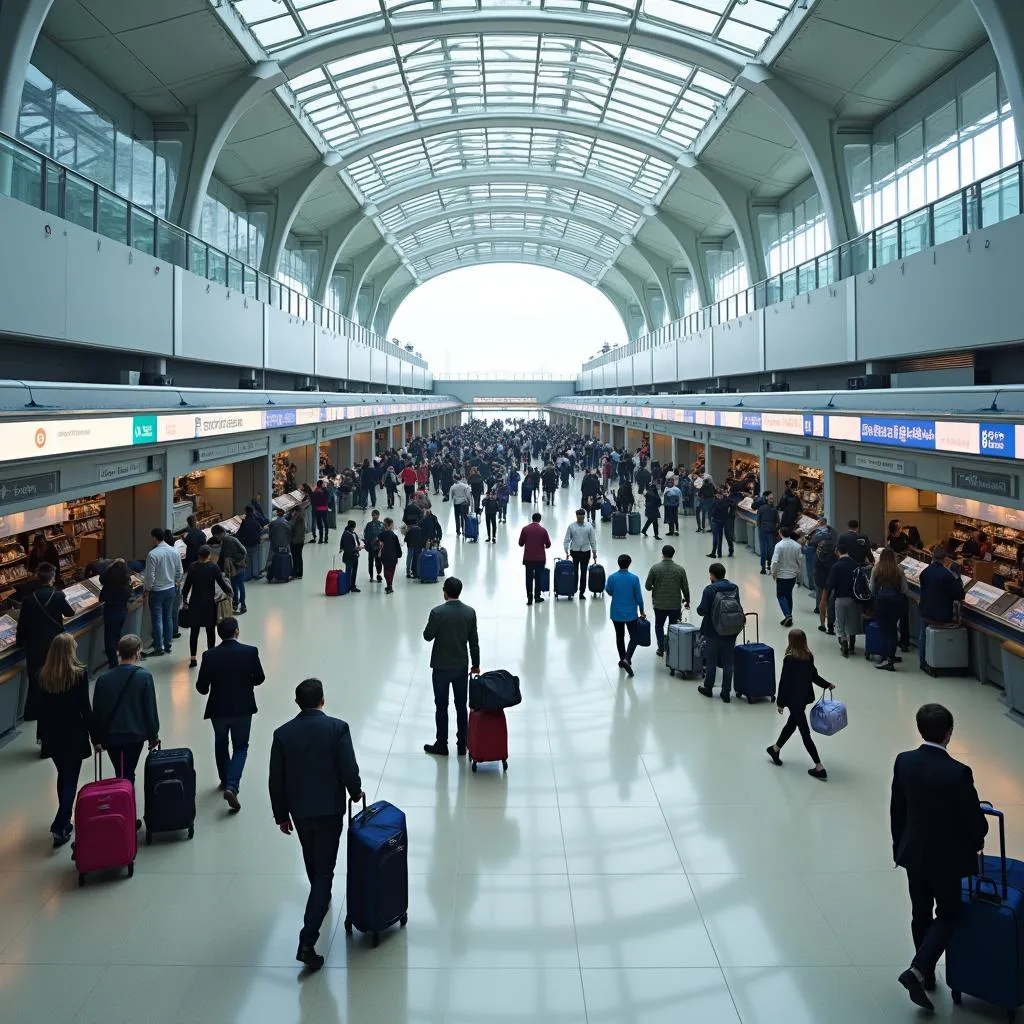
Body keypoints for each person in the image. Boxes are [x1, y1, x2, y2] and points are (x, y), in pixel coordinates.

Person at [890, 703, 988, 1011]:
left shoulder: (904, 762)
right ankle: (918, 969)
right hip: (946, 858)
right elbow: (975, 823)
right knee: (949, 913)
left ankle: (926, 975)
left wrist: (899, 847)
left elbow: (898, 810)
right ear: (949, 734)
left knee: (920, 911)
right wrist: (977, 839)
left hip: (913, 851)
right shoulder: (958, 773)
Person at [269, 678, 364, 971]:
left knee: (313, 860)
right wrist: (355, 790)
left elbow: (276, 779)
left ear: (297, 703)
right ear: (322, 700)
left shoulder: (282, 734)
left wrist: (281, 814)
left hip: (300, 812)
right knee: (324, 872)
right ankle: (307, 940)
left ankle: (319, 899)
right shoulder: (337, 728)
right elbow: (347, 767)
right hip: (329, 810)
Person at [196, 616, 265, 811]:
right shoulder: (250, 652)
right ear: (236, 631)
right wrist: (246, 682)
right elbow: (259, 678)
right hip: (243, 707)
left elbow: (202, 687)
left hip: (218, 708)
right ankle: (232, 786)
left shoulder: (209, 656)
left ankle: (225, 779)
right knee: (241, 747)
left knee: (220, 742)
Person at [36, 634, 92, 847]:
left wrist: (41, 736)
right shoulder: (78, 676)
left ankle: (65, 820)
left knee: (63, 775)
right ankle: (60, 824)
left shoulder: (43, 676)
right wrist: (96, 736)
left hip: (53, 736)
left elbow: (41, 710)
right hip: (73, 734)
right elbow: (85, 709)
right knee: (70, 779)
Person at [422, 576, 481, 757]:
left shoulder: (437, 613)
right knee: (461, 706)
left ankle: (442, 744)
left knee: (441, 706)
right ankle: (463, 743)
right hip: (461, 667)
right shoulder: (469, 613)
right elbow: (474, 642)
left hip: (440, 667)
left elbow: (427, 636)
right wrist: (476, 664)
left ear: (445, 592)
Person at [91, 633, 160, 787]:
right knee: (129, 771)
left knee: (120, 770)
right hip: (134, 735)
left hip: (111, 736)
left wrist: (96, 739)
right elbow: (149, 708)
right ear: (137, 652)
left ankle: (123, 798)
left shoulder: (103, 679)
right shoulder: (144, 677)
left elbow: (98, 711)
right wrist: (153, 734)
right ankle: (127, 803)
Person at [765, 629, 833, 780]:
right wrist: (826, 684)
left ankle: (818, 766)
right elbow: (814, 676)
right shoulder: (808, 657)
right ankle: (775, 749)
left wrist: (781, 703)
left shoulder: (789, 659)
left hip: (793, 700)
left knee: (802, 731)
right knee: (794, 725)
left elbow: (784, 683)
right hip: (803, 698)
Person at [16, 562, 74, 733]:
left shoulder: (28, 600)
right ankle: (54, 706)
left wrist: (20, 642)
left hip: (34, 644)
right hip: (55, 644)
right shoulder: (57, 596)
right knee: (55, 675)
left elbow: (22, 625)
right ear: (52, 578)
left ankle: (32, 710)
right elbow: (69, 613)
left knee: (35, 678)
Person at [181, 545, 233, 668]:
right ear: (209, 555)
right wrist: (229, 592)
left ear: (199, 555)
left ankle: (193, 658)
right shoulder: (213, 567)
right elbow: (221, 582)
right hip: (209, 603)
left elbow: (186, 586)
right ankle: (211, 656)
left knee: (194, 631)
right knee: (210, 631)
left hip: (195, 602)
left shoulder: (193, 567)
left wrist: (184, 599)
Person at [696, 562, 741, 703]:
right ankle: (726, 692)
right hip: (731, 630)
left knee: (711, 661)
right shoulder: (734, 587)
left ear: (712, 575)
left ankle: (708, 688)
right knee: (728, 662)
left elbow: (702, 610)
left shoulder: (710, 590)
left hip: (713, 631)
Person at [917, 546, 966, 671]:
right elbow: (960, 594)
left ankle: (922, 661)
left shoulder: (925, 572)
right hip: (942, 614)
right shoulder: (946, 575)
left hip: (925, 610)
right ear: (945, 559)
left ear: (932, 557)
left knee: (923, 635)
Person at [142, 527, 183, 657]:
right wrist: (176, 581)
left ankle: (158, 646)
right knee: (168, 617)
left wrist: (147, 589)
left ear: (154, 538)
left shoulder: (152, 554)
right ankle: (168, 644)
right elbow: (179, 570)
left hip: (157, 591)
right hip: (171, 589)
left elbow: (150, 576)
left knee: (157, 618)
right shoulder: (174, 551)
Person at [644, 545, 691, 657]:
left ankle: (661, 648)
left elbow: (647, 586)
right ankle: (672, 648)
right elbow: (685, 587)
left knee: (659, 625)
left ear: (662, 553)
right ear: (673, 554)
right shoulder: (680, 569)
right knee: (673, 627)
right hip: (675, 604)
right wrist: (687, 600)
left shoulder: (655, 568)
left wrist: (654, 587)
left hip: (659, 604)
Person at [604, 554, 646, 677]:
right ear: (629, 563)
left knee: (619, 636)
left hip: (616, 613)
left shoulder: (612, 577)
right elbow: (639, 597)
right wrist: (642, 611)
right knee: (634, 637)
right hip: (631, 614)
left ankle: (622, 659)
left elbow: (609, 591)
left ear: (618, 563)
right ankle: (627, 658)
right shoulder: (634, 578)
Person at [871, 547, 909, 671]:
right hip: (895, 604)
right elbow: (905, 590)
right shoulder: (899, 570)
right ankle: (891, 658)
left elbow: (871, 589)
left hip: (881, 604)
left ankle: (884, 657)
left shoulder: (876, 569)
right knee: (892, 631)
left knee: (883, 631)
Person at [821, 542, 860, 657]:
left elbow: (830, 584)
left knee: (840, 622)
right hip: (854, 598)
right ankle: (852, 644)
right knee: (852, 622)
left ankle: (844, 643)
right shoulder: (855, 565)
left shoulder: (837, 566)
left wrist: (824, 599)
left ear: (838, 552)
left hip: (840, 597)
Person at [98, 558, 133, 669]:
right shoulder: (125, 584)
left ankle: (113, 663)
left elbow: (101, 579)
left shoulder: (108, 584)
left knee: (109, 638)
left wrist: (111, 564)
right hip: (122, 611)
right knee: (117, 636)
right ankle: (118, 657)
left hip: (110, 611)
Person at [211, 524, 248, 615]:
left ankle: (239, 605)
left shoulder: (227, 541)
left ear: (219, 534)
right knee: (239, 585)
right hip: (240, 566)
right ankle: (240, 604)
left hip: (235, 567)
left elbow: (226, 556)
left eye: (215, 535)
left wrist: (230, 562)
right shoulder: (230, 538)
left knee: (235, 586)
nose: (216, 538)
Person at [770, 527, 804, 627]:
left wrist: (773, 573)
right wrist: (799, 574)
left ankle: (787, 615)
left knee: (780, 595)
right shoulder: (797, 546)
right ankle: (788, 616)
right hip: (792, 575)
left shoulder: (779, 545)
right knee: (788, 595)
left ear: (780, 534)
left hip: (782, 575)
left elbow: (775, 562)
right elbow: (800, 561)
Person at [564, 508, 598, 599]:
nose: (580, 519)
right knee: (574, 572)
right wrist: (566, 550)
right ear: (576, 517)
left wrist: (594, 552)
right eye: (579, 518)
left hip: (586, 552)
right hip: (574, 552)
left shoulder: (589, 526)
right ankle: (573, 590)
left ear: (584, 517)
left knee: (583, 573)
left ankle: (581, 592)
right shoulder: (571, 526)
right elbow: (567, 539)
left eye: (582, 518)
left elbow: (593, 540)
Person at [518, 512, 551, 605]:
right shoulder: (543, 530)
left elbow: (520, 543)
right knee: (538, 577)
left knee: (528, 578)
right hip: (540, 559)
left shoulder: (525, 529)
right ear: (539, 520)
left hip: (528, 558)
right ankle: (537, 596)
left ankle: (529, 595)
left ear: (532, 519)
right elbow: (548, 544)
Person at [237, 505, 265, 580]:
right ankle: (256, 574)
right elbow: (260, 530)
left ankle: (247, 576)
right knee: (255, 559)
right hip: (254, 543)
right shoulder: (254, 521)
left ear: (245, 511)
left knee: (247, 559)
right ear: (252, 511)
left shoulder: (243, 522)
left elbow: (239, 533)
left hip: (245, 543)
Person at [754, 493, 779, 574]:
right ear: (767, 498)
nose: (772, 500)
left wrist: (760, 528)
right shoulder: (774, 509)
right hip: (769, 532)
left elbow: (758, 521)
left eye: (772, 498)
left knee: (765, 550)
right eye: (771, 498)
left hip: (765, 531)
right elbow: (777, 522)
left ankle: (764, 567)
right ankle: (768, 565)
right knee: (769, 550)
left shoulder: (761, 508)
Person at [378, 518, 403, 593]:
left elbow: (375, 544)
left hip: (385, 556)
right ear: (390, 525)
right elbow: (397, 546)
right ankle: (390, 586)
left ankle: (389, 586)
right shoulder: (394, 536)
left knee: (386, 572)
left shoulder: (381, 535)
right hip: (393, 557)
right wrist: (399, 555)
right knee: (391, 572)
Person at [339, 520, 362, 593]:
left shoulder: (353, 533)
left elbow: (356, 542)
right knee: (349, 572)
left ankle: (352, 586)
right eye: (353, 527)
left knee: (354, 571)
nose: (354, 529)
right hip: (349, 556)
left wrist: (358, 547)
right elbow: (348, 548)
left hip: (355, 556)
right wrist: (357, 548)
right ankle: (348, 586)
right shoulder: (346, 535)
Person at [363, 509, 385, 582]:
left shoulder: (382, 525)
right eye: (373, 515)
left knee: (378, 561)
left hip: (378, 547)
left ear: (378, 516)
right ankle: (371, 575)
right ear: (372, 516)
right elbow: (366, 535)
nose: (375, 516)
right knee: (371, 561)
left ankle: (378, 574)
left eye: (376, 515)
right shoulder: (369, 525)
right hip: (371, 546)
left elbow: (383, 536)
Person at [289, 507, 306, 580]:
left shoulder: (299, 520)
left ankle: (297, 573)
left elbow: (295, 530)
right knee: (297, 557)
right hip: (299, 540)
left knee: (297, 557)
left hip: (296, 541)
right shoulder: (299, 519)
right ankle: (298, 573)